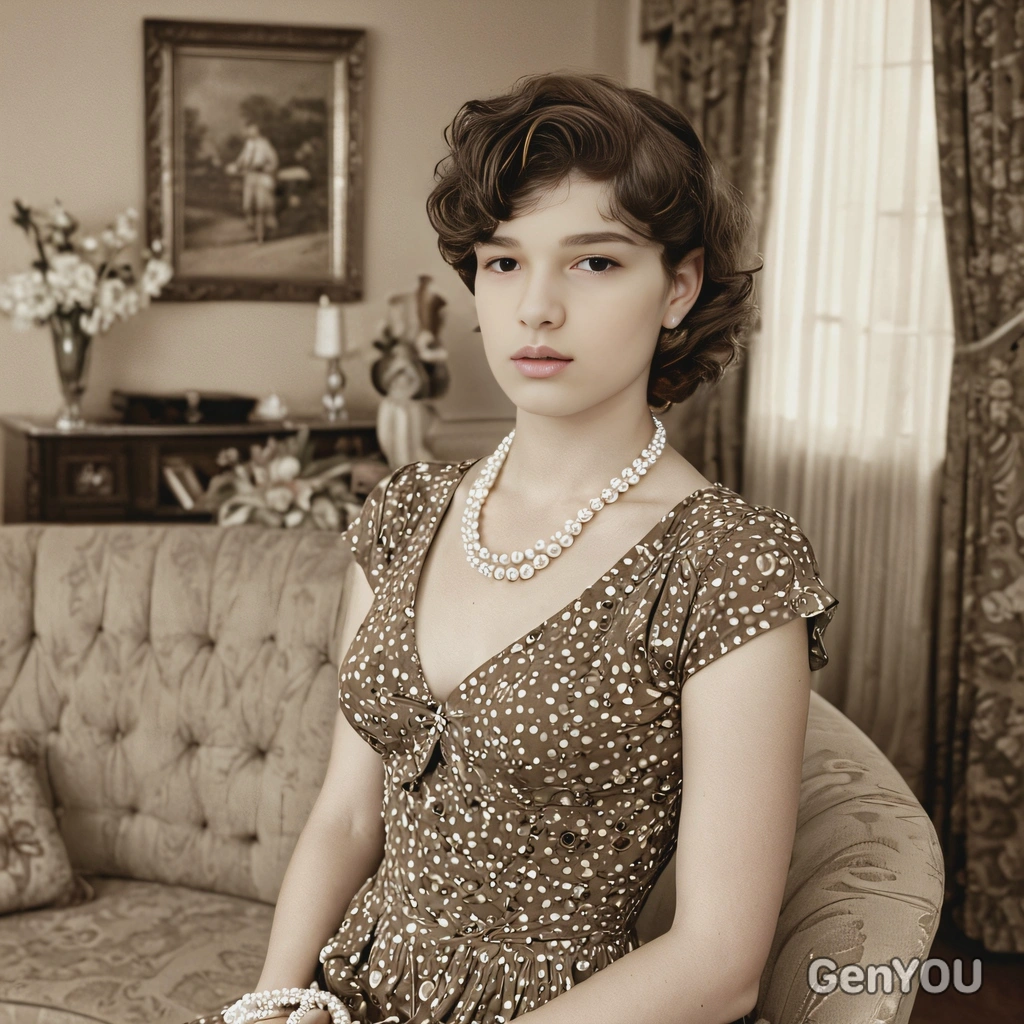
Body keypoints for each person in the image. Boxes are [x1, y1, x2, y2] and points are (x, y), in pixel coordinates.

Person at [181, 72, 838, 1024]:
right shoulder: (406, 509)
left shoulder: (729, 564)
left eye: (594, 263)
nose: (535, 308)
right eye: (502, 261)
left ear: (679, 287)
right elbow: (347, 815)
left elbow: (719, 962)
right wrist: (277, 1001)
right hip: (346, 997)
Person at [225, 120, 280, 243]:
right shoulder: (248, 144)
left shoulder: (264, 144)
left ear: (258, 130)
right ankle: (253, 224)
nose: (251, 131)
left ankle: (261, 236)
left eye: (253, 129)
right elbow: (241, 160)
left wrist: (266, 168)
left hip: (261, 176)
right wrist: (235, 166)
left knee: (260, 207)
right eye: (249, 129)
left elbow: (274, 162)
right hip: (249, 177)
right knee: (247, 206)